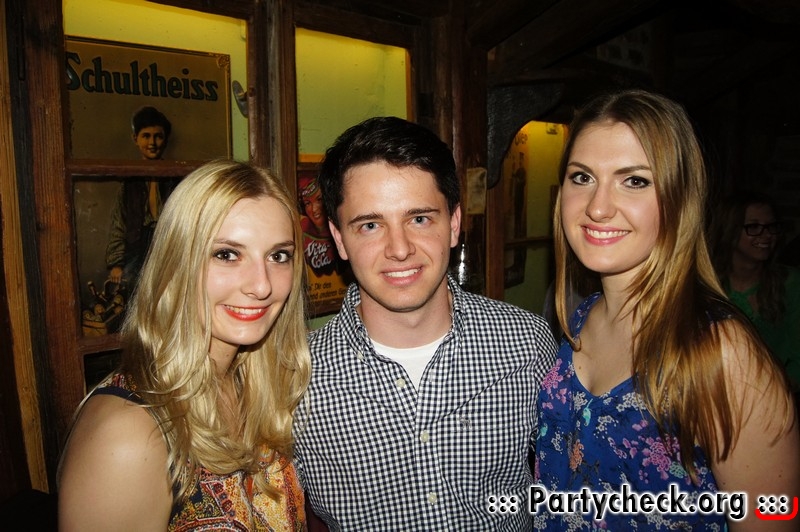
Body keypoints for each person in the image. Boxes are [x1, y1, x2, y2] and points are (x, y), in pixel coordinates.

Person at [534, 89, 799, 530]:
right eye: (582, 177)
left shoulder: (721, 352)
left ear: (679, 197)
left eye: (634, 181)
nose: (597, 206)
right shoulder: (580, 321)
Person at [292, 116, 558, 530]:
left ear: (453, 224)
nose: (399, 249)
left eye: (419, 219)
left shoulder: (527, 342)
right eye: (370, 225)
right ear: (339, 239)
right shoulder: (295, 376)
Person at [59, 160, 311, 530]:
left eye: (278, 256)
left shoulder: (253, 383)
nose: (262, 286)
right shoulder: (128, 436)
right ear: (177, 262)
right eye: (227, 254)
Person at [709, 191, 800, 392]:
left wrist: (771, 395)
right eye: (754, 227)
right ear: (730, 231)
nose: (766, 235)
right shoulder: (708, 284)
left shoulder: (790, 283)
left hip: (775, 394)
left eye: (771, 227)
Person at [105, 106, 179, 287]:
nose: (152, 142)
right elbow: (119, 223)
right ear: (135, 139)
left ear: (165, 139)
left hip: (169, 246)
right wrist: (116, 263)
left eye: (158, 136)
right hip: (137, 247)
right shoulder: (130, 182)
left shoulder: (176, 178)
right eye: (146, 136)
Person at [298, 172, 338, 277]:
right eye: (308, 203)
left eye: (319, 200)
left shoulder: (340, 228)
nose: (314, 209)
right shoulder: (301, 229)